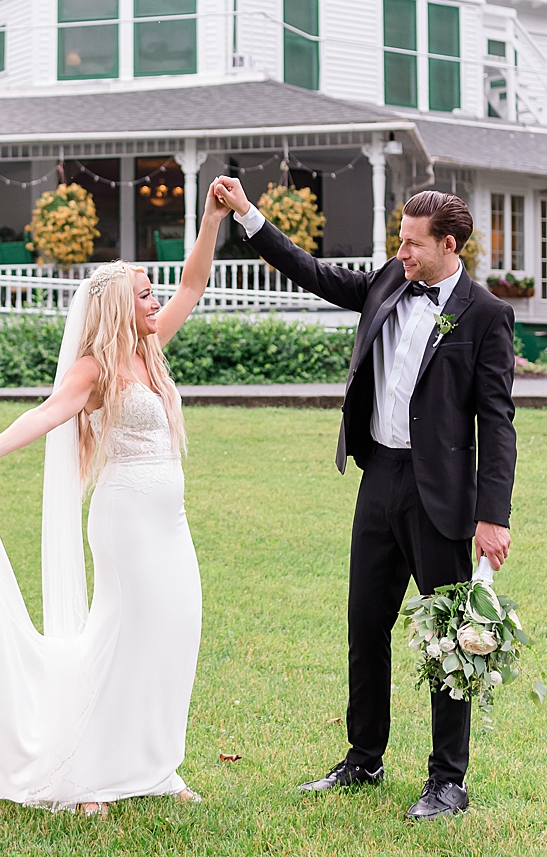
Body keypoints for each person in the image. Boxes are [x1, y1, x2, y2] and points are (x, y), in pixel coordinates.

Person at [0, 182, 228, 821]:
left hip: (172, 521)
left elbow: (193, 283)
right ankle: (89, 774)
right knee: (121, 636)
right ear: (116, 308)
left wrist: (213, 219)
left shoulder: (151, 346)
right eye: (144, 293)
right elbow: (49, 412)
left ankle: (155, 764)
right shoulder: (96, 367)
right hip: (126, 522)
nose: (156, 298)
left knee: (174, 632)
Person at [210, 179, 517, 822]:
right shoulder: (387, 280)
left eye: (412, 243)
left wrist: (493, 517)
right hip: (378, 480)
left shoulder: (485, 314)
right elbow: (312, 271)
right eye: (398, 240)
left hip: (442, 496)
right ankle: (363, 757)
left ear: (448, 245)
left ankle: (447, 782)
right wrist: (246, 214)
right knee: (364, 624)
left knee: (451, 640)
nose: (400, 251)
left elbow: (498, 419)